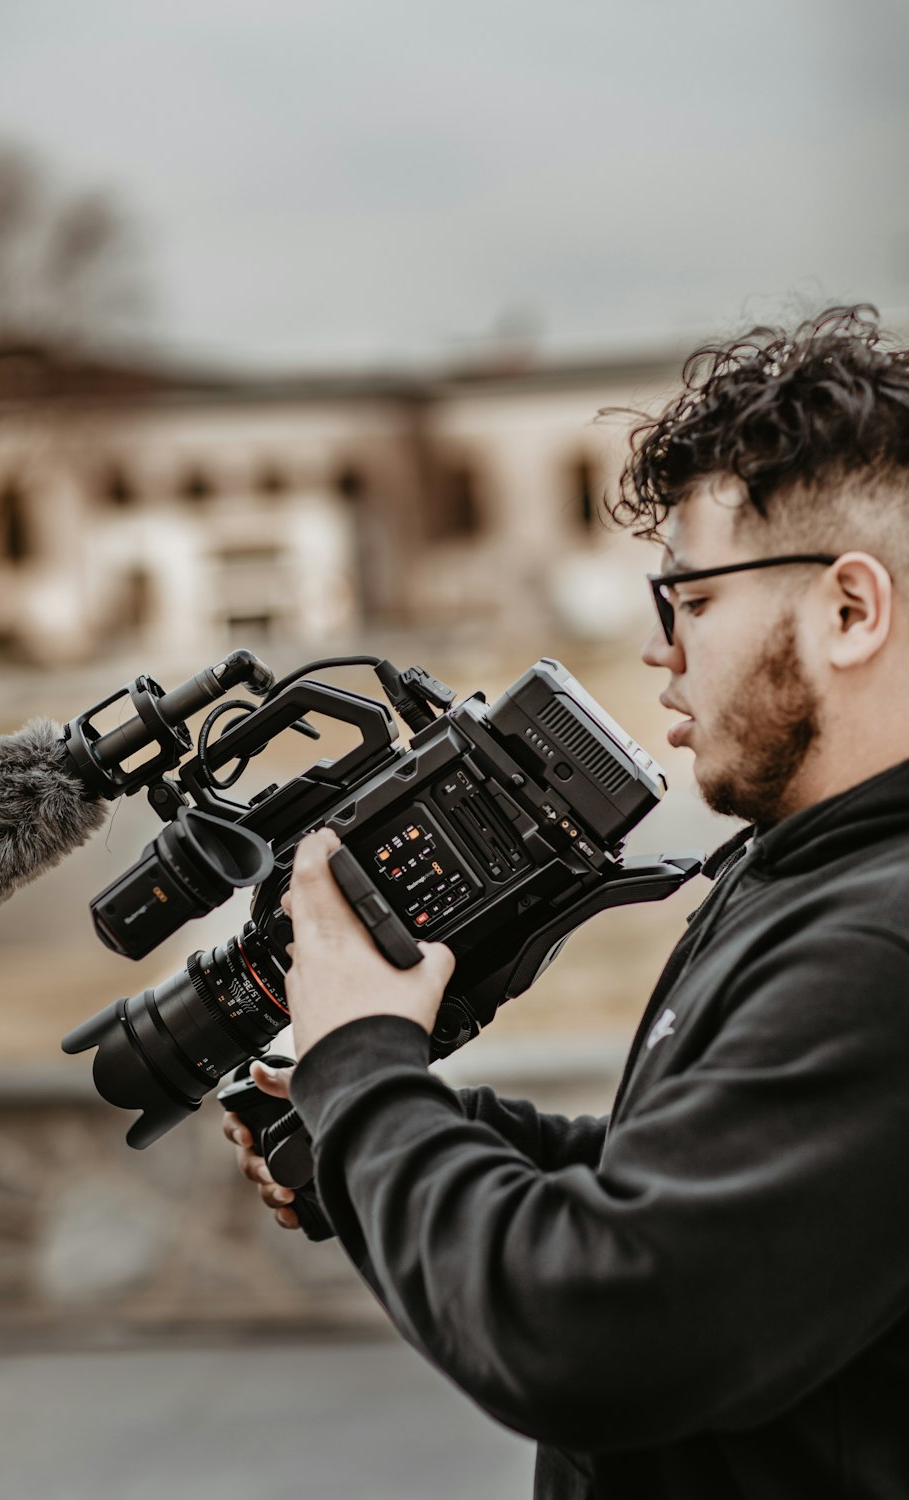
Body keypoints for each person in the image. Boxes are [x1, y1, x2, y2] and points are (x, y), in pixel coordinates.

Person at [224, 304, 909, 1498]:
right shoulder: (804, 868)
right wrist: (412, 1128)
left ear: (850, 611)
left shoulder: (878, 945)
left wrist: (365, 1068)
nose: (662, 651)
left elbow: (595, 1329)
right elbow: (698, 1197)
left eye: (690, 601)